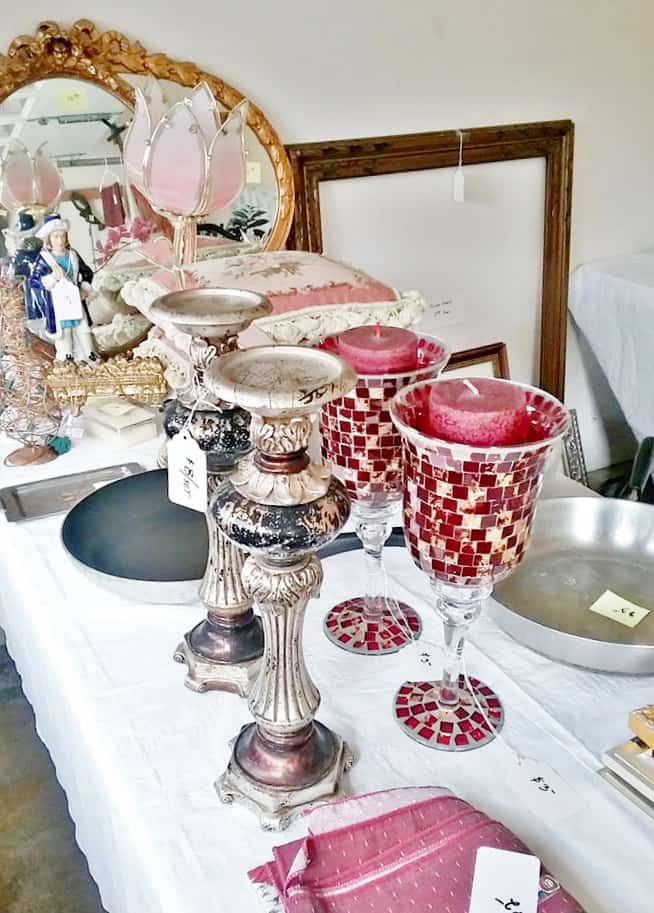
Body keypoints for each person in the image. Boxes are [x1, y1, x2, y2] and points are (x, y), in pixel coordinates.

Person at [30, 214, 97, 362]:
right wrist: (52, 277)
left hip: (75, 301)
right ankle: (67, 359)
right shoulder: (44, 259)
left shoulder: (73, 255)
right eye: (55, 237)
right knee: (64, 334)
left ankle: (90, 356)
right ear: (49, 239)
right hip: (58, 305)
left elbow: (86, 272)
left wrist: (84, 288)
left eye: (62, 236)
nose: (60, 241)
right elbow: (34, 281)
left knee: (83, 329)